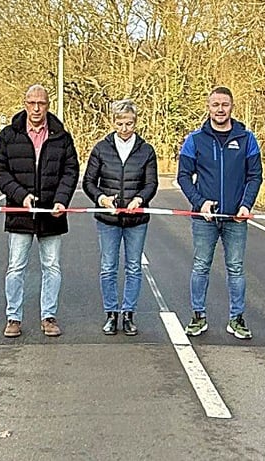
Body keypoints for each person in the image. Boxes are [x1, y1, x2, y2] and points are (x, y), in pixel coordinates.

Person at [0, 84, 80, 338]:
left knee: (51, 267)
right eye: (32, 103)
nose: (36, 108)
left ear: (48, 105)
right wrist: (21, 196)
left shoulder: (61, 136)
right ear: (25, 103)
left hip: (52, 213)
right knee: (15, 267)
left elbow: (70, 171)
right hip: (20, 213)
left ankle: (48, 317)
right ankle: (13, 318)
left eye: (41, 103)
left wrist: (62, 200)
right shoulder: (9, 135)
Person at [177, 86, 263, 339]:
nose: (220, 109)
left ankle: (237, 318)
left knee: (235, 268)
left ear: (232, 106)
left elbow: (255, 176)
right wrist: (199, 202)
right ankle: (197, 316)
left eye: (224, 104)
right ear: (208, 107)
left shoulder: (247, 139)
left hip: (236, 218)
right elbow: (183, 176)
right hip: (205, 218)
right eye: (215, 104)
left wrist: (246, 205)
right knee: (201, 266)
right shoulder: (195, 139)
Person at [82, 99, 158, 336]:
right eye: (120, 123)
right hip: (108, 220)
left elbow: (151, 184)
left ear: (136, 122)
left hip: (136, 220)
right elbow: (88, 182)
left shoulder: (146, 150)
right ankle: (111, 313)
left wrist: (140, 200)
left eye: (129, 123)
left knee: (134, 267)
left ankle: (128, 314)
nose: (125, 128)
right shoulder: (101, 148)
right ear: (112, 122)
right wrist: (102, 199)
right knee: (108, 267)